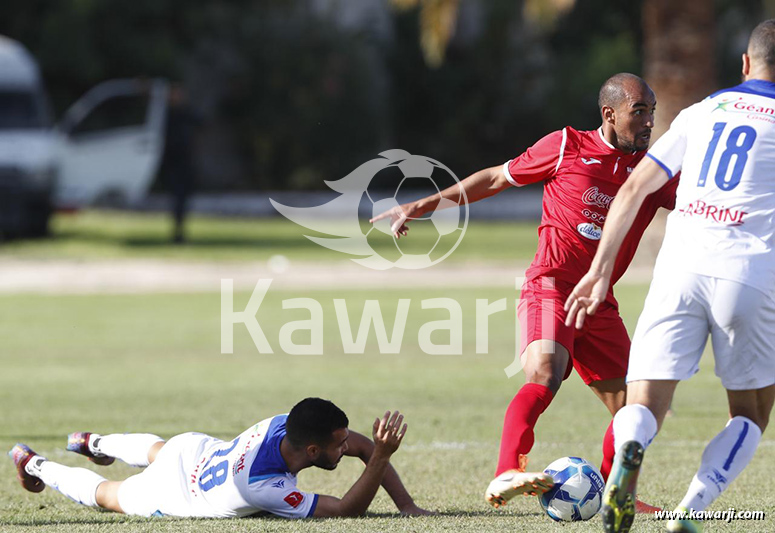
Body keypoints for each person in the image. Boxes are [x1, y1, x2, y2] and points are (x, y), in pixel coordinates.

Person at [372, 73, 677, 510]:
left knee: (638, 408)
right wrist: (421, 206)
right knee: (546, 372)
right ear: (609, 114)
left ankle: (617, 494)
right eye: (639, 112)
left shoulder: (654, 170)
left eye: (652, 111)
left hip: (598, 302)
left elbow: (704, 205)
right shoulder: (566, 146)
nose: (649, 122)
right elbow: (496, 178)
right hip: (551, 285)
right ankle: (506, 472)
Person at [564, 20, 775, 533]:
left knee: (644, 403)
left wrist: (598, 270)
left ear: (745, 64)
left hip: (679, 268)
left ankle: (631, 447)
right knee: (749, 413)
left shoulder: (703, 111)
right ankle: (690, 510)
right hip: (747, 273)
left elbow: (636, 187)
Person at [9, 398, 430, 519]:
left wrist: (406, 505)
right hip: (179, 492)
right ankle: (34, 464)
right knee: (107, 494)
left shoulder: (287, 423)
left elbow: (363, 447)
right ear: (313, 452)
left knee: (160, 448)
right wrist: (382, 458)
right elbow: (345, 511)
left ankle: (94, 441)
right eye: (338, 446)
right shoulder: (265, 488)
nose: (347, 448)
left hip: (196, 449)